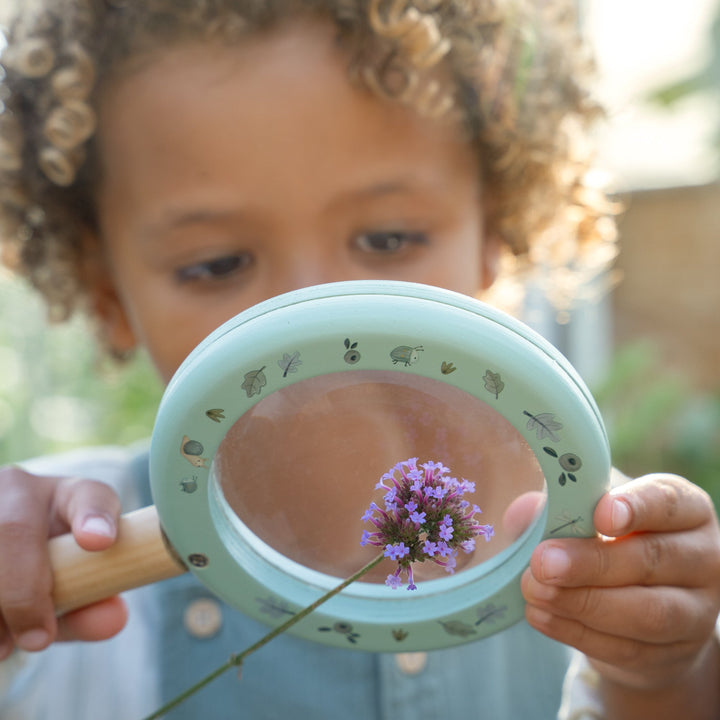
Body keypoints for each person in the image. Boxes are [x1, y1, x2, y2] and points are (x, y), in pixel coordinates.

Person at [0, 1, 719, 718]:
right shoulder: (67, 551)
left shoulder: (592, 543)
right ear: (108, 296)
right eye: (218, 263)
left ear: (494, 237)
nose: (313, 315)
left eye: (386, 240)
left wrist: (659, 678)